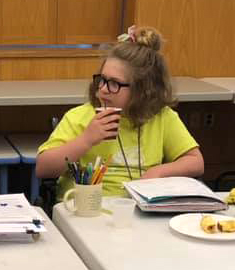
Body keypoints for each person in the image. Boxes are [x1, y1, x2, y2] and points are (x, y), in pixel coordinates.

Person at [35, 26, 204, 198]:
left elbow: (196, 162)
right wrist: (86, 140)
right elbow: (43, 168)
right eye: (102, 79)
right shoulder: (80, 116)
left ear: (143, 89)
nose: (103, 89)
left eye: (114, 83)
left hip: (140, 208)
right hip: (86, 209)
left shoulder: (161, 117)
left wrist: (159, 172)